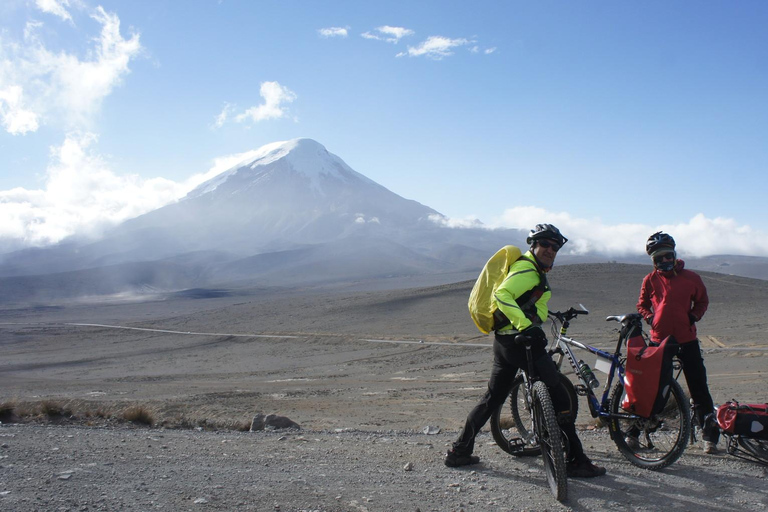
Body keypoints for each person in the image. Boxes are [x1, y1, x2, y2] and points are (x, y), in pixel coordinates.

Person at [444, 224, 606, 478]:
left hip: (504, 343)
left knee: (492, 398)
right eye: (545, 245)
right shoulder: (527, 270)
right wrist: (525, 325)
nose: (550, 250)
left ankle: (459, 451)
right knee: (561, 396)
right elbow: (503, 293)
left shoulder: (532, 269)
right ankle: (575, 460)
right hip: (522, 344)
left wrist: (537, 315)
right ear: (534, 245)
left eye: (555, 247)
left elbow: (526, 301)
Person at [636, 231, 719, 454]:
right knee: (652, 386)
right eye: (658, 258)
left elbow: (702, 301)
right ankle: (635, 431)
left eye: (668, 256)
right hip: (659, 340)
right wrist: (650, 318)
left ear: (674, 255)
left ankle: (709, 437)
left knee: (699, 387)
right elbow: (642, 304)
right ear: (653, 261)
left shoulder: (691, 278)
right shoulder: (650, 280)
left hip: (686, 339)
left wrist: (692, 317)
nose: (664, 261)